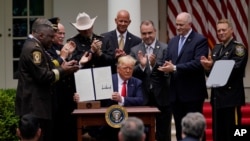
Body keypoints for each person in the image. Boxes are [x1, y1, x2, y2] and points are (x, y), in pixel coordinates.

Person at [15, 18, 79, 141]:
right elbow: (43, 76)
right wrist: (64, 71)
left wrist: (63, 65)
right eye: (50, 36)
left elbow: (49, 66)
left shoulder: (36, 46)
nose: (52, 40)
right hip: (35, 107)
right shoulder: (34, 49)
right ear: (41, 35)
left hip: (37, 106)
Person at [158, 12, 209, 141]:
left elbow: (197, 63)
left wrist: (174, 68)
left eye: (181, 25)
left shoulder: (200, 40)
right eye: (177, 24)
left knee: (195, 129)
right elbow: (167, 59)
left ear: (189, 24)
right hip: (175, 95)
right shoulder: (173, 41)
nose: (178, 27)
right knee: (181, 130)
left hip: (192, 95)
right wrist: (163, 66)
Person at [200, 19, 248, 141]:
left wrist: (213, 65)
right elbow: (212, 74)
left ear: (231, 30)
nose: (221, 33)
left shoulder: (238, 48)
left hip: (231, 99)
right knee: (218, 134)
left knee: (233, 133)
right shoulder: (216, 48)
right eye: (218, 30)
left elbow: (235, 69)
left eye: (224, 30)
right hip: (217, 99)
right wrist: (207, 68)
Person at [130, 20, 171, 141]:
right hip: (143, 96)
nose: (147, 36)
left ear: (155, 31)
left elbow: (167, 72)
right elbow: (131, 71)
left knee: (164, 132)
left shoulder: (165, 48)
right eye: (144, 33)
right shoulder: (134, 50)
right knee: (143, 131)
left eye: (149, 33)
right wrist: (142, 66)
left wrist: (154, 65)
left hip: (162, 95)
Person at [47, 17, 79, 141]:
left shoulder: (63, 48)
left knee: (69, 130)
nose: (62, 36)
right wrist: (63, 59)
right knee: (57, 131)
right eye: (59, 33)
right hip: (56, 97)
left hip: (68, 97)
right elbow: (52, 69)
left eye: (63, 33)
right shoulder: (48, 49)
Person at [101, 9, 142, 73]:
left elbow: (137, 62)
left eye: (125, 21)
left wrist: (126, 57)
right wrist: (114, 57)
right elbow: (102, 59)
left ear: (129, 22)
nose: (123, 24)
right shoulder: (105, 37)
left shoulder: (137, 41)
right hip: (110, 76)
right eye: (120, 21)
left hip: (128, 77)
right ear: (116, 21)